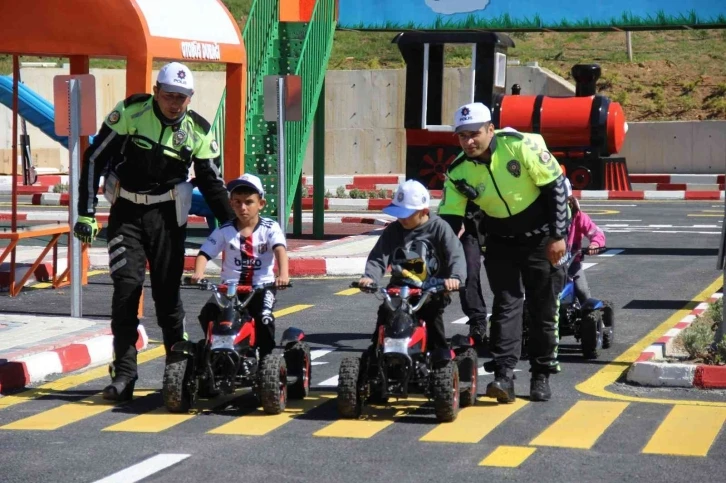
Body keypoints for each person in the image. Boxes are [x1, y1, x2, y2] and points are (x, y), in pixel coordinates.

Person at [73, 62, 235, 402]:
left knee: (166, 295)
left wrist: (234, 225)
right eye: (169, 95)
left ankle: (177, 368)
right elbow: (93, 159)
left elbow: (212, 183)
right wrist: (86, 213)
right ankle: (125, 373)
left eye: (182, 97)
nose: (175, 103)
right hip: (126, 213)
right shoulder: (131, 112)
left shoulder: (199, 131)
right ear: (156, 92)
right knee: (126, 289)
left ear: (189, 99)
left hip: (167, 216)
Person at [438, 102, 569, 403]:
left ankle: (541, 373)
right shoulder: (458, 170)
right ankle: (504, 376)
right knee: (506, 305)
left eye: (474, 134)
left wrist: (558, 236)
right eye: (461, 136)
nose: (468, 142)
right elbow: (448, 221)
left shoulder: (521, 146)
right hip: (500, 240)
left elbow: (556, 189)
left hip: (542, 239)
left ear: (490, 130)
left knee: (542, 307)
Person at [358, 179, 466, 356]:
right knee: (386, 310)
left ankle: (440, 354)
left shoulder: (439, 228)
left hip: (433, 288)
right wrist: (370, 277)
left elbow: (456, 255)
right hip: (400, 288)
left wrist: (455, 278)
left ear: (423, 211)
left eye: (406, 214)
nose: (401, 218)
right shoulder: (394, 230)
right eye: (398, 214)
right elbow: (379, 257)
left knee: (430, 312)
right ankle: (377, 351)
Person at [191, 173, 290, 361]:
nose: (242, 207)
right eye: (237, 202)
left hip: (261, 287)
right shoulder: (224, 230)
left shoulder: (270, 227)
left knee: (264, 318)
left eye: (248, 202)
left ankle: (266, 360)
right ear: (231, 204)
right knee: (208, 314)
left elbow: (279, 250)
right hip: (229, 288)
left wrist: (283, 275)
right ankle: (215, 353)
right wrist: (199, 273)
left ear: (261, 204)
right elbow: (204, 253)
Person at [564, 179, 606, 304]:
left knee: (582, 291)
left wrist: (595, 244)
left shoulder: (578, 216)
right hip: (548, 264)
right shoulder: (543, 215)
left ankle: (594, 319)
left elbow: (596, 233)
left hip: (571, 264)